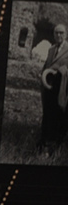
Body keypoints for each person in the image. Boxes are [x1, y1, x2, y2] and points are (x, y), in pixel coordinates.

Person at [39, 22, 68, 154]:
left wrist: (62, 71)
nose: (59, 35)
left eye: (61, 32)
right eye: (56, 33)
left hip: (63, 88)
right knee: (48, 114)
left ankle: (57, 145)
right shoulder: (51, 49)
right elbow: (46, 65)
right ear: (53, 34)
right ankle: (45, 142)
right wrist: (42, 75)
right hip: (49, 87)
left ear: (66, 34)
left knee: (60, 115)